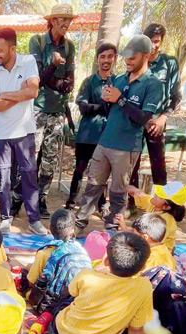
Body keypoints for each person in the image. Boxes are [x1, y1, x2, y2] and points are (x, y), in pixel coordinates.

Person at [73, 35, 165, 231]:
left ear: (146, 56)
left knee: (118, 192)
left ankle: (113, 229)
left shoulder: (153, 84)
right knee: (92, 185)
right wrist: (107, 100)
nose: (127, 61)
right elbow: (109, 108)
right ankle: (78, 224)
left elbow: (143, 119)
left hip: (126, 147)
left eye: (133, 57)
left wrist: (120, 99)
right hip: (104, 141)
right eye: (126, 57)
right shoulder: (120, 79)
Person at [46, 231, 153, 334]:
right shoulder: (144, 287)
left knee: (66, 302)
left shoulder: (87, 275)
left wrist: (97, 272)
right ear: (142, 268)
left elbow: (72, 291)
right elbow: (136, 330)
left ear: (106, 260)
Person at [0, 28, 49, 236]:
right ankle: (5, 218)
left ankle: (34, 219)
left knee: (29, 176)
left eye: (0, 50)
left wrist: (7, 94)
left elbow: (33, 91)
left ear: (13, 48)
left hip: (25, 131)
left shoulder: (28, 61)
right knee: (4, 178)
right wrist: (20, 94)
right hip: (2, 135)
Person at [29, 4, 77, 218]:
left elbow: (70, 82)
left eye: (69, 20)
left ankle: (41, 199)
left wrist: (55, 80)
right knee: (29, 158)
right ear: (52, 20)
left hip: (58, 112)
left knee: (49, 160)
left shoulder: (70, 47)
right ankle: (21, 198)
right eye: (61, 19)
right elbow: (38, 78)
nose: (66, 24)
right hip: (38, 110)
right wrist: (54, 71)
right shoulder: (37, 42)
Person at [127, 23, 182, 193]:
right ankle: (131, 204)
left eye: (157, 41)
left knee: (158, 164)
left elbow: (176, 96)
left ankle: (161, 206)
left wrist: (162, 119)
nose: (154, 45)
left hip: (156, 122)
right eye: (150, 41)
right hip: (136, 120)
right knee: (132, 164)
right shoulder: (136, 59)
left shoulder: (169, 63)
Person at [68, 42, 117, 214]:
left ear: (114, 59)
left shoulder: (118, 82)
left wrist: (96, 106)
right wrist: (102, 106)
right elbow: (83, 107)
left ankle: (101, 204)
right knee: (79, 169)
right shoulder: (89, 82)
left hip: (106, 137)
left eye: (109, 56)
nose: (106, 60)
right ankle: (71, 201)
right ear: (97, 59)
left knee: (102, 173)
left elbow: (117, 108)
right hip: (86, 135)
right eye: (102, 56)